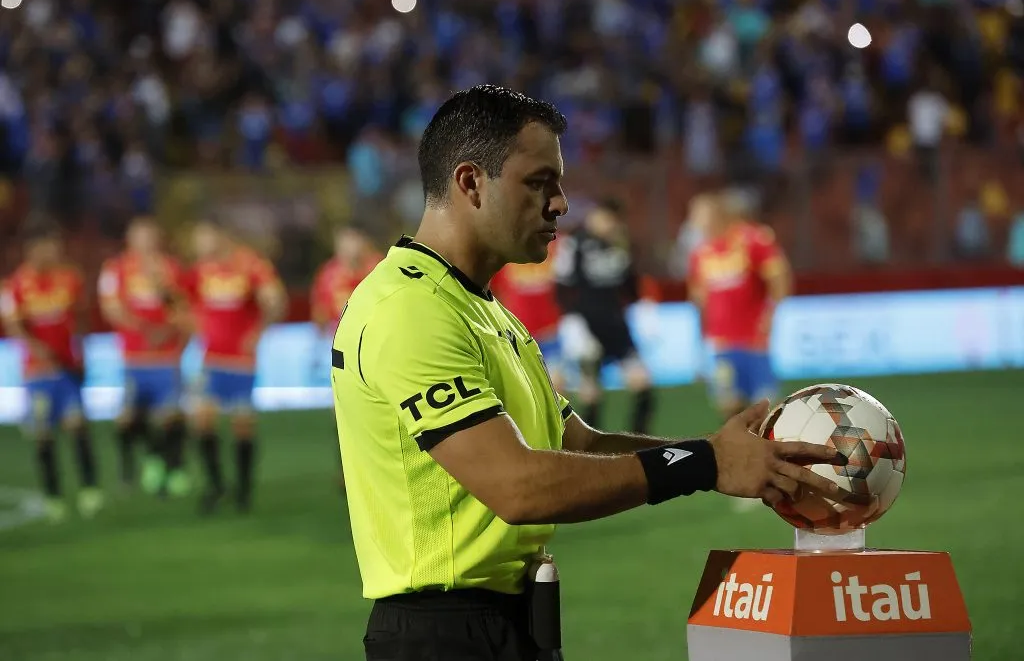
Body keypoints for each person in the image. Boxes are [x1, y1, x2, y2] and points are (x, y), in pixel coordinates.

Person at [329, 85, 847, 661]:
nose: (561, 204)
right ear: (471, 182)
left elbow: (577, 442)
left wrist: (716, 454)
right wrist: (704, 463)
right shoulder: (409, 310)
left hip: (509, 622)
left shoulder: (484, 309)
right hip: (444, 633)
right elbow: (518, 486)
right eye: (538, 182)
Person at [0, 219, 102, 522]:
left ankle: (89, 489)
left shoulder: (70, 278)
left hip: (67, 369)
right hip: (38, 372)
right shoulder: (16, 285)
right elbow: (14, 325)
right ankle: (53, 495)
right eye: (46, 245)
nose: (52, 251)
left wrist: (81, 352)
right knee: (44, 435)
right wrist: (35, 345)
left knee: (76, 426)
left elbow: (80, 317)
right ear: (32, 249)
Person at [187, 217, 286, 514]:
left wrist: (258, 331)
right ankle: (216, 486)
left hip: (241, 362)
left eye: (202, 238)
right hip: (211, 359)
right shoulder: (200, 269)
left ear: (220, 235)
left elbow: (275, 300)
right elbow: (185, 300)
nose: (199, 245)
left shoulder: (251, 265)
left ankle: (243, 491)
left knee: (242, 426)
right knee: (202, 420)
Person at [98, 216, 190, 497]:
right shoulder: (115, 269)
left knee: (171, 416)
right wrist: (144, 329)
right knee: (128, 420)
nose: (146, 241)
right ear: (130, 238)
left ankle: (174, 469)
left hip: (166, 358)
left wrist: (165, 294)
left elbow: (185, 308)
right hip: (134, 358)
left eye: (150, 235)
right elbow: (111, 309)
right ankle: (152, 457)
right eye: (140, 235)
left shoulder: (171, 268)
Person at [687, 189, 792, 421]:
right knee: (729, 407)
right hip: (722, 344)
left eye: (698, 215)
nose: (693, 221)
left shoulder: (752, 240)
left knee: (764, 408)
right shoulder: (700, 254)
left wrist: (771, 311)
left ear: (716, 214)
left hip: (754, 340)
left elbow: (780, 276)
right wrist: (701, 343)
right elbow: (699, 300)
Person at [553, 198, 655, 434]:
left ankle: (637, 439)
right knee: (591, 390)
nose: (606, 224)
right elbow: (562, 287)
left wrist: (642, 307)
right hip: (587, 324)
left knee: (643, 384)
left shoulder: (621, 244)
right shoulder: (575, 244)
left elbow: (631, 286)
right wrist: (571, 319)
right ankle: (591, 444)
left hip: (616, 325)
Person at [310, 224, 383, 492]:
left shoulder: (380, 267)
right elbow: (320, 309)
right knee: (341, 413)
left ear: (363, 241)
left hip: (377, 353)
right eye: (340, 241)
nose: (345, 247)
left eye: (350, 240)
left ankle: (378, 467)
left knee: (378, 413)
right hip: (343, 355)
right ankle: (348, 471)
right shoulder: (329, 274)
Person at [490, 241, 565, 392]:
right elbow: (494, 293)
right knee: (520, 387)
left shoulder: (555, 246)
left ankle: (554, 416)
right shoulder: (503, 253)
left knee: (556, 385)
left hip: (549, 329)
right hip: (516, 332)